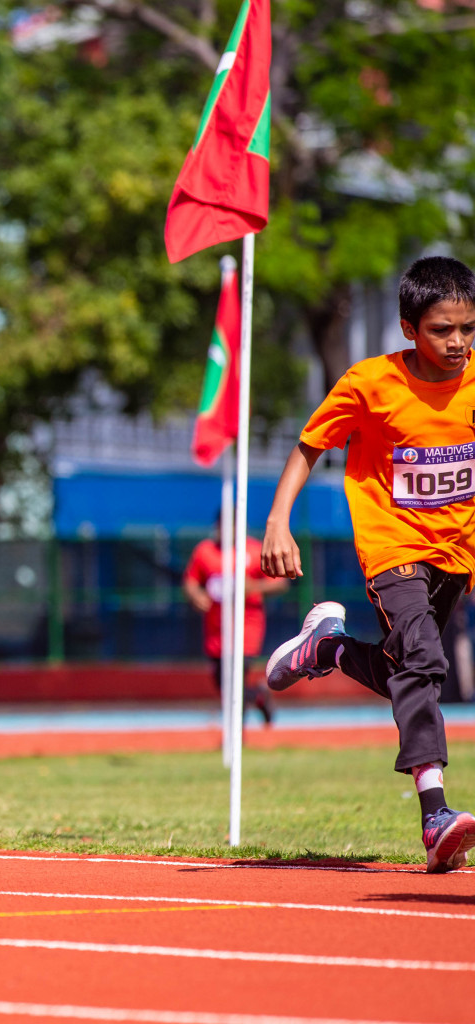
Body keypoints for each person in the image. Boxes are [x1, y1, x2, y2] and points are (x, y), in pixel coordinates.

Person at [262, 255, 475, 873]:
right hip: (392, 546)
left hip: (453, 554)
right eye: (442, 330)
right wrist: (278, 523)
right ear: (409, 329)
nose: (458, 342)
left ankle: (326, 651)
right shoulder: (369, 384)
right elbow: (310, 445)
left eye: (467, 328)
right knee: (423, 660)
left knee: (406, 670)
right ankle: (435, 815)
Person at [182, 518, 287, 725]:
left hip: (246, 629)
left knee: (235, 683)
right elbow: (190, 581)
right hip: (215, 631)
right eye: (222, 526)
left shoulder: (255, 551)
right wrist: (195, 596)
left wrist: (253, 588)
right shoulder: (205, 552)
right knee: (223, 684)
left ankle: (237, 734)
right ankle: (258, 696)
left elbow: (280, 584)